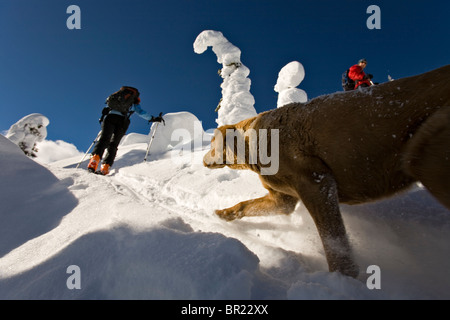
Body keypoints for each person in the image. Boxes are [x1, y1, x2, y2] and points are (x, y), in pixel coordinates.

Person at [87, 86, 164, 175]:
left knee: (104, 139)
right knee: (114, 144)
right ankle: (105, 166)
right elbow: (141, 112)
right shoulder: (134, 102)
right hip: (123, 121)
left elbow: (107, 104)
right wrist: (152, 118)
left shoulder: (116, 96)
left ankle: (94, 161)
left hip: (110, 117)